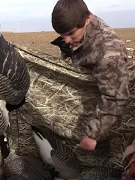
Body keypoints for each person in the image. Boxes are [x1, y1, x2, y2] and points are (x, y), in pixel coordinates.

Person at [51, 0, 130, 151]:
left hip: (114, 94)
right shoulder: (79, 21)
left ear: (87, 20)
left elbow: (116, 98)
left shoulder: (108, 52)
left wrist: (92, 135)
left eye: (71, 33)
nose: (66, 40)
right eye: (61, 34)